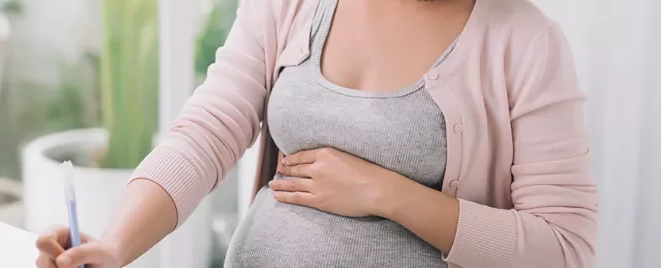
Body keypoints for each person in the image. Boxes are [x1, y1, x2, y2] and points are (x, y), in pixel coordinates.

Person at [35, 0, 599, 267]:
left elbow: (565, 248)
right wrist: (113, 246)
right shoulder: (292, 4)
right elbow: (207, 131)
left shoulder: (525, 42)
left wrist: (390, 194)